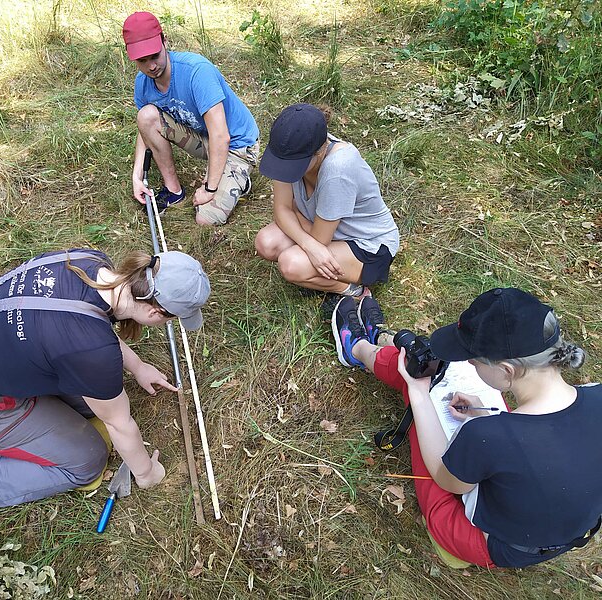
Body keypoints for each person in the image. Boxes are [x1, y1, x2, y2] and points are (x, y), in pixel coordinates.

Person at [0, 248, 210, 527]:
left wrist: (136, 366)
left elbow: (84, 333)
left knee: (88, 402)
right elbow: (119, 424)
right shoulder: (91, 350)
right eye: (172, 319)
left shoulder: (91, 262)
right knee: (87, 459)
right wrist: (147, 472)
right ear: (155, 311)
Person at [331, 289, 602, 568]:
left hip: (493, 544)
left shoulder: (489, 436)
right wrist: (490, 414)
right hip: (559, 536)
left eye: (473, 359)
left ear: (507, 370)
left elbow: (446, 480)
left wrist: (420, 393)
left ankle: (357, 348)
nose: (469, 362)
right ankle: (380, 341)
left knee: (425, 382)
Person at [122, 11, 260, 226]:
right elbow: (144, 128)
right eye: (142, 60)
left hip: (237, 144)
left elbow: (221, 135)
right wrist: (137, 177)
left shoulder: (197, 71)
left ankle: (238, 178)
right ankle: (173, 191)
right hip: (204, 137)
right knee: (146, 115)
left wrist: (209, 189)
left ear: (165, 41)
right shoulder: (143, 82)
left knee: (205, 219)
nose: (151, 66)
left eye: (155, 56)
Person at [254, 104, 399, 301]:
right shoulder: (289, 149)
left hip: (367, 244)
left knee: (291, 264)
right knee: (266, 243)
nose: (285, 171)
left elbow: (319, 239)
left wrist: (296, 214)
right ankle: (324, 272)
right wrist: (309, 245)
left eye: (294, 166)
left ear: (320, 151)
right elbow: (282, 209)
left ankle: (352, 290)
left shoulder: (337, 170)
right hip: (319, 227)